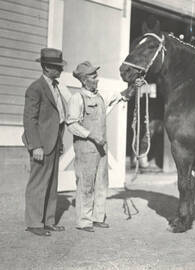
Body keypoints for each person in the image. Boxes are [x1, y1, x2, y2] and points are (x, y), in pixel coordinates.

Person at [67, 61, 122, 232]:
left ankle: (98, 217)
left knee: (101, 183)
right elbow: (72, 124)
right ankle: (84, 221)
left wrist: (133, 87)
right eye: (93, 76)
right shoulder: (77, 98)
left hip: (101, 148)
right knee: (86, 184)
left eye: (95, 75)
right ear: (84, 80)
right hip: (86, 148)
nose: (96, 79)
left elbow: (118, 96)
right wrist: (91, 135)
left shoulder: (99, 97)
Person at [22, 48, 67, 236]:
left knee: (52, 183)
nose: (61, 71)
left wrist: (60, 141)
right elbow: (29, 119)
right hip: (41, 144)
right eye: (57, 67)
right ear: (47, 67)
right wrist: (36, 146)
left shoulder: (55, 87)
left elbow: (59, 116)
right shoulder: (35, 88)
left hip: (54, 142)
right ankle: (34, 223)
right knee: (38, 182)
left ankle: (48, 221)